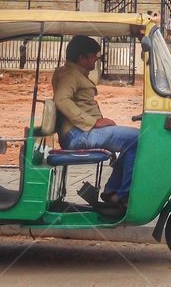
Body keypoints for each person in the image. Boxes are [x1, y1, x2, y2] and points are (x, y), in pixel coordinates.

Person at [52, 35, 139, 208]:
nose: (96, 60)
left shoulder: (74, 73)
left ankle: (113, 192)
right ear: (81, 58)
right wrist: (92, 122)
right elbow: (61, 99)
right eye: (93, 56)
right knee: (139, 138)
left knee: (133, 141)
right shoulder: (71, 75)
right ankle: (122, 195)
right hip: (79, 134)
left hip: (79, 132)